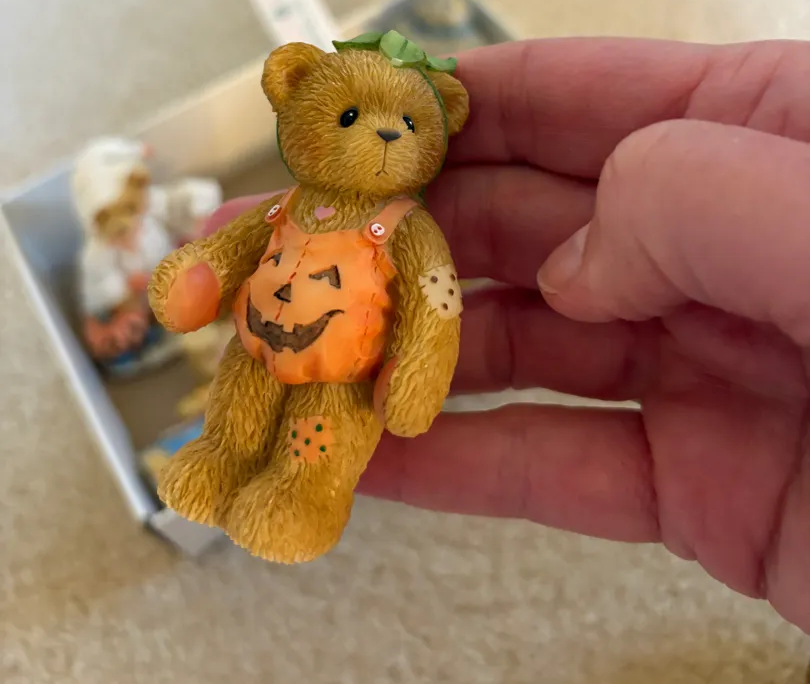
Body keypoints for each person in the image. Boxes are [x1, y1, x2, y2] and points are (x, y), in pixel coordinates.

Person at [206, 38, 810, 633]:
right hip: (254, 344)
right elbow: (227, 250)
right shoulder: (284, 209)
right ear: (291, 88)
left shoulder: (407, 229)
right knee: (237, 406)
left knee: (319, 441)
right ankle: (220, 461)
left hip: (344, 376)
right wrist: (194, 277)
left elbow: (436, 306)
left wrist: (419, 374)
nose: (387, 134)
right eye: (348, 116)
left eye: (409, 123)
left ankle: (304, 497)